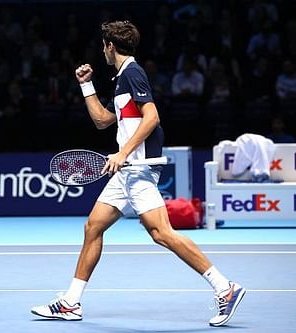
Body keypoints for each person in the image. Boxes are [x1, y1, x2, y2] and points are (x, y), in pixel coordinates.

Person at [30, 20, 245, 327]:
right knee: (93, 227)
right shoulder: (120, 79)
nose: (102, 50)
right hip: (125, 173)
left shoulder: (133, 72)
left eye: (103, 45)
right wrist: (86, 85)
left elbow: (152, 117)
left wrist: (123, 152)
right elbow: (104, 121)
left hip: (137, 169)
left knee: (162, 234)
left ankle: (225, 287)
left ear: (109, 46)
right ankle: (71, 302)